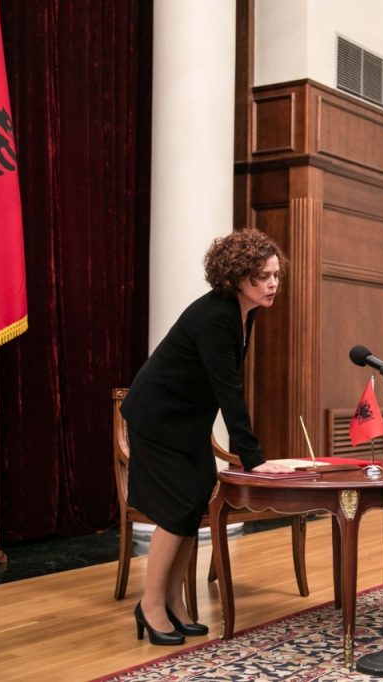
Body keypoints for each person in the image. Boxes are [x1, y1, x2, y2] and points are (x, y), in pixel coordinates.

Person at [121, 229, 294, 645]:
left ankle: (175, 603)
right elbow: (228, 391)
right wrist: (253, 459)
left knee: (195, 500)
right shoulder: (216, 316)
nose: (272, 284)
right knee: (177, 509)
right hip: (158, 418)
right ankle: (150, 605)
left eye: (275, 275)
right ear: (236, 278)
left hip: (186, 421)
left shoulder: (244, 311)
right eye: (262, 277)